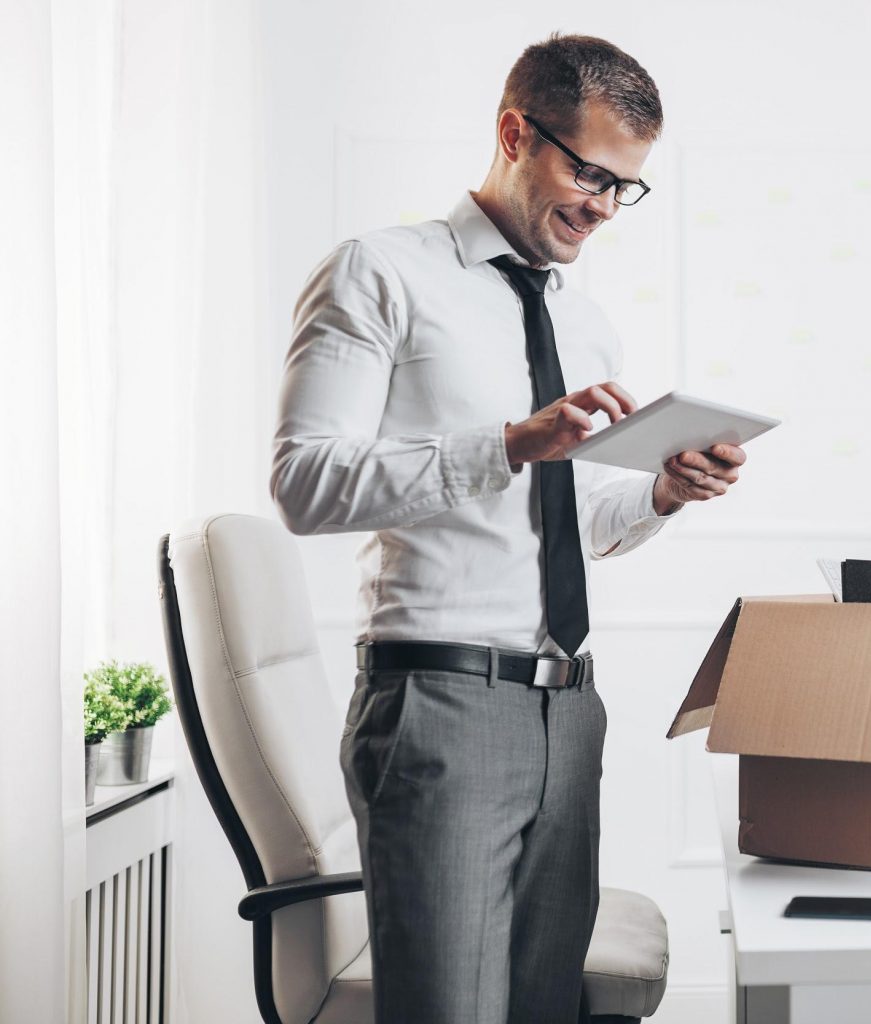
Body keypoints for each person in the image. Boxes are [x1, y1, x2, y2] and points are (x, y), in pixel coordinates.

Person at [269, 33, 744, 1024]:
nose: (604, 208)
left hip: (569, 709)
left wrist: (660, 491)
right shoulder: (379, 273)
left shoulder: (586, 320)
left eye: (626, 187)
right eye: (588, 173)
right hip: (439, 703)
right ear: (514, 132)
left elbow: (582, 526)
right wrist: (506, 445)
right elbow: (305, 485)